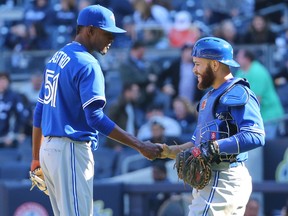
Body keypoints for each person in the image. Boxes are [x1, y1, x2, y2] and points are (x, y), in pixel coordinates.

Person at [30, 5, 163, 216]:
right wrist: (139, 145)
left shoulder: (56, 58)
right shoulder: (88, 63)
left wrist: (36, 157)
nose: (111, 38)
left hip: (49, 151)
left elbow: (39, 111)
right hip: (70, 150)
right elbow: (95, 118)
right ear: (89, 30)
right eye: (107, 33)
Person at [159, 37, 265, 215]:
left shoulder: (237, 91)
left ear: (215, 65)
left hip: (223, 177)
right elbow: (197, 145)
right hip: (214, 179)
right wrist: (167, 151)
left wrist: (214, 147)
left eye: (198, 64)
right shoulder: (209, 97)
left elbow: (255, 135)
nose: (194, 69)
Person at [235, 48, 285, 140]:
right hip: (258, 118)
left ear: (247, 59)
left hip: (269, 116)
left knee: (265, 148)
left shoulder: (257, 71)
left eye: (239, 57)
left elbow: (256, 99)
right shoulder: (241, 71)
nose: (237, 58)